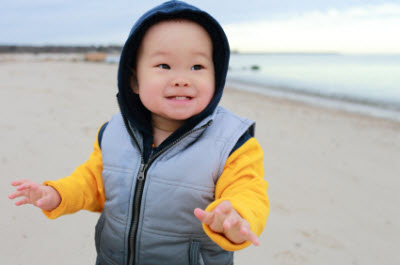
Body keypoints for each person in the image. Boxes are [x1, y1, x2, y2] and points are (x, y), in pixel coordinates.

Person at [8, 1, 269, 264]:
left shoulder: (232, 142)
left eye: (197, 67)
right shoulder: (113, 133)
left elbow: (248, 190)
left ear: (218, 75)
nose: (182, 79)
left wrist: (237, 216)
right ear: (134, 80)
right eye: (164, 66)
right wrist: (58, 194)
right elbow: (93, 182)